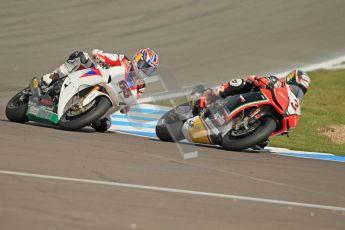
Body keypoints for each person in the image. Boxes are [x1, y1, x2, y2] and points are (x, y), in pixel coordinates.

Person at [41, 48, 159, 132]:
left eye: (149, 70)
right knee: (81, 57)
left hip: (110, 97)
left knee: (104, 125)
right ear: (137, 59)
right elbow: (96, 53)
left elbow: (130, 102)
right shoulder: (122, 60)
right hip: (97, 74)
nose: (145, 71)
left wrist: (126, 107)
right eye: (145, 66)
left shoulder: (140, 86)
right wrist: (102, 61)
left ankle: (84, 114)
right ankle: (51, 78)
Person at [193, 70, 311, 149]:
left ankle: (245, 131)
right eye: (296, 87)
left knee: (261, 144)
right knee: (238, 83)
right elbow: (253, 78)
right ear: (290, 79)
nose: (297, 91)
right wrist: (259, 81)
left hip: (257, 112)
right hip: (245, 97)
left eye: (301, 91)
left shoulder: (291, 102)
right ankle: (208, 97)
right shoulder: (276, 82)